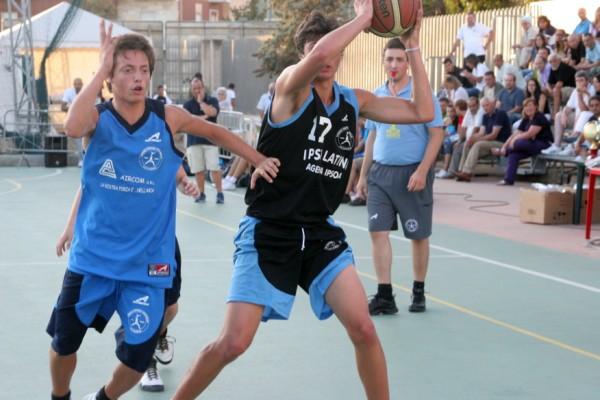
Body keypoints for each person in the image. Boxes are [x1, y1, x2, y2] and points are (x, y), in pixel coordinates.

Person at [172, 2, 434, 398]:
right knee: (233, 343)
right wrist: (365, 17)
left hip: (318, 233)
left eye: (330, 51)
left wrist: (412, 44)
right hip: (269, 230)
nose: (324, 58)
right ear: (303, 56)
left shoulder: (353, 101)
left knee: (364, 328)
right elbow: (322, 52)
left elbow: (423, 110)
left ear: (342, 56)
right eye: (313, 52)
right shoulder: (290, 90)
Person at [47, 21, 279, 400]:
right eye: (127, 70)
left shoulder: (166, 117)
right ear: (111, 77)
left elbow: (215, 132)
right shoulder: (98, 119)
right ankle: (60, 395)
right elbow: (72, 126)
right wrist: (101, 68)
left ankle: (104, 398)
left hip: (146, 264)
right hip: (94, 259)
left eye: (144, 70)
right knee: (63, 343)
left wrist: (257, 158)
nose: (138, 78)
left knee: (138, 359)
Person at [55, 166, 199, 393]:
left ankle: (156, 337)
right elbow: (88, 181)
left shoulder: (161, 144)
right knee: (69, 336)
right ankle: (148, 361)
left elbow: (176, 172)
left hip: (155, 243)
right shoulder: (108, 148)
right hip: (111, 242)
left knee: (170, 309)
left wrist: (185, 183)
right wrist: (71, 225)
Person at [355, 36, 443, 315]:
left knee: (418, 235)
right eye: (389, 59)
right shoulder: (376, 95)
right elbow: (372, 137)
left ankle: (418, 290)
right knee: (377, 232)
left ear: (408, 63)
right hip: (380, 174)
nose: (394, 64)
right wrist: (363, 175)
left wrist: (422, 170)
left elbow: (436, 134)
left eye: (399, 59)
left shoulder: (422, 94)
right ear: (383, 62)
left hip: (412, 174)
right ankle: (385, 295)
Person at [184, 77, 225, 204]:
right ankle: (201, 193)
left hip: (211, 141)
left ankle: (219, 193)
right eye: (194, 88)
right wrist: (204, 117)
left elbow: (213, 113)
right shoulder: (187, 105)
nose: (197, 91)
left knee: (214, 168)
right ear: (191, 89)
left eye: (199, 88)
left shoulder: (212, 100)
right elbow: (189, 121)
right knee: (198, 170)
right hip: (194, 141)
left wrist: (201, 103)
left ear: (203, 87)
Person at [454, 96, 512, 182]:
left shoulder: (500, 114)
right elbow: (481, 133)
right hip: (489, 143)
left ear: (493, 104)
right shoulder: (485, 116)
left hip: (501, 143)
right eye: (483, 106)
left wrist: (478, 140)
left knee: (478, 144)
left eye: (487, 105)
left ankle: (467, 172)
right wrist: (471, 138)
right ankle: (462, 171)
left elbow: (493, 135)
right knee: (467, 143)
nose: (485, 108)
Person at [497, 98, 553, 185]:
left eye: (530, 106)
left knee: (518, 143)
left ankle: (506, 152)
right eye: (526, 106)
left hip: (543, 144)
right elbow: (515, 133)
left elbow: (530, 134)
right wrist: (504, 146)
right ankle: (508, 180)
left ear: (536, 107)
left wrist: (514, 141)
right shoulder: (526, 119)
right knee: (513, 155)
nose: (528, 108)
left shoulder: (539, 117)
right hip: (529, 145)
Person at [62, 78, 84, 166]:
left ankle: (87, 159)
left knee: (88, 140)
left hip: (86, 118)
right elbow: (63, 107)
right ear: (73, 84)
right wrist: (73, 109)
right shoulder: (68, 92)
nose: (77, 86)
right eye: (76, 84)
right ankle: (81, 160)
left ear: (82, 84)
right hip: (74, 120)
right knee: (78, 141)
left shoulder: (86, 91)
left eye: (79, 84)